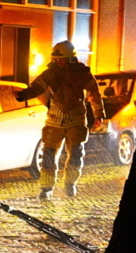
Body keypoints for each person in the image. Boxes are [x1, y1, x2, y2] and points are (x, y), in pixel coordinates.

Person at [15, 40, 107, 200]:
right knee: (49, 155)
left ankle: (70, 184)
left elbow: (94, 94)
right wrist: (23, 95)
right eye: (56, 59)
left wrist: (98, 114)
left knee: (76, 154)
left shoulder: (82, 74)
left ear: (71, 59)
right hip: (54, 120)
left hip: (76, 120)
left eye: (61, 59)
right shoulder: (50, 73)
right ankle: (46, 188)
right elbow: (37, 87)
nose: (58, 62)